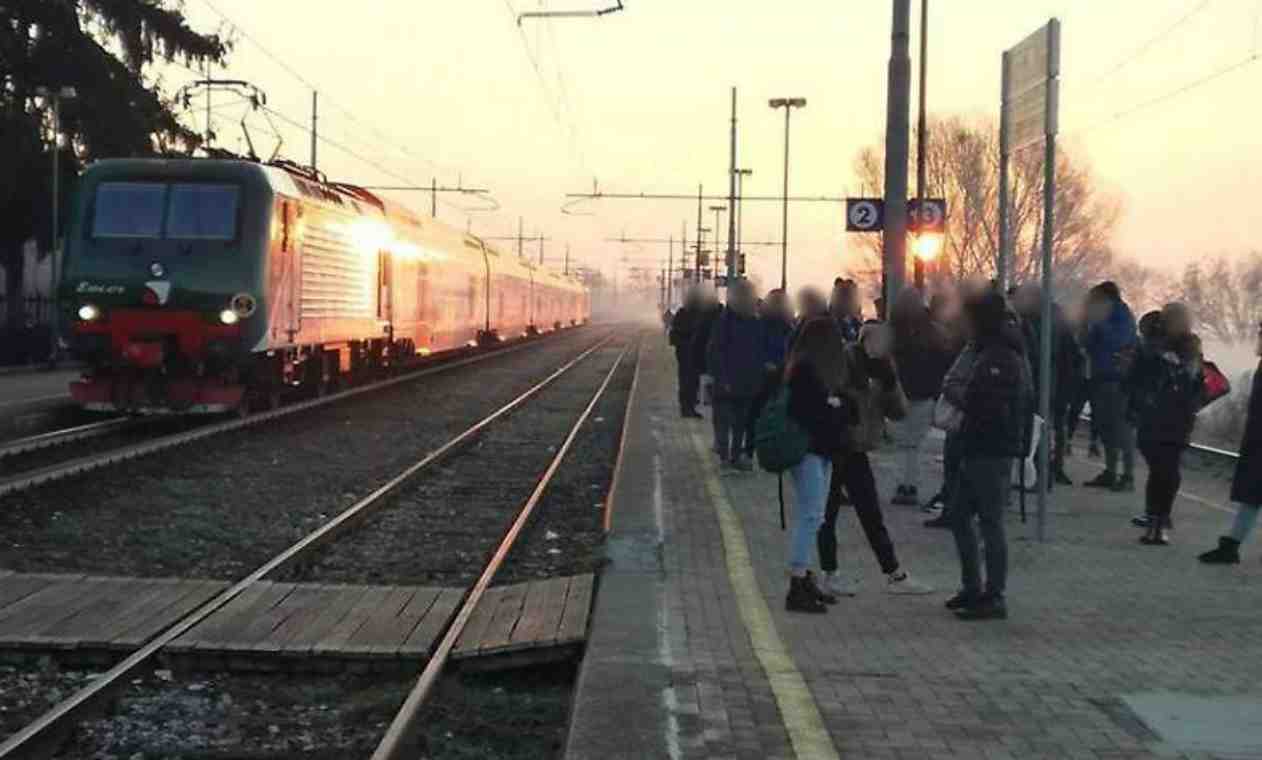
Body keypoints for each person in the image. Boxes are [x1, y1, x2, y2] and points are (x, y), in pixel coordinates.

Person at [817, 322, 934, 597]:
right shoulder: (844, 362)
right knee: (827, 513)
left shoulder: (883, 370)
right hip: (835, 447)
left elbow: (899, 412)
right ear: (864, 340)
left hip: (857, 451)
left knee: (870, 513)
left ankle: (893, 573)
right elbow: (830, 396)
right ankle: (828, 572)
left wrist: (891, 383)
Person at [946, 289, 1033, 620]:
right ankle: (973, 587)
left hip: (991, 448)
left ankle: (993, 595)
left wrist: (957, 394)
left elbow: (987, 405)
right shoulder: (994, 350)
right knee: (960, 514)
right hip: (981, 446)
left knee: (990, 521)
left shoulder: (999, 356)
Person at [783, 317, 854, 613]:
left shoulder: (807, 370)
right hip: (810, 452)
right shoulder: (805, 373)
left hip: (820, 452)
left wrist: (837, 407)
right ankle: (797, 582)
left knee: (817, 516)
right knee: (811, 516)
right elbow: (814, 415)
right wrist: (836, 409)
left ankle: (804, 575)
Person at [1127, 303, 1204, 545]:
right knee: (1162, 470)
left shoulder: (1191, 347)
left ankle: (1158, 520)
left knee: (1167, 471)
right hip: (1155, 416)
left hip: (1177, 417)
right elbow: (1133, 379)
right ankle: (1157, 519)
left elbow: (1197, 382)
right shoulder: (1151, 345)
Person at [1199, 322, 1262, 563]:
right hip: (1257, 440)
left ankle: (1231, 546)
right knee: (1252, 497)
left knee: (1252, 496)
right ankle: (1231, 545)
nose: (1258, 338)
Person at [890, 287, 953, 507]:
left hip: (900, 392)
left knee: (902, 443)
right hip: (923, 393)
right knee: (914, 444)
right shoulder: (934, 332)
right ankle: (911, 485)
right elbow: (944, 363)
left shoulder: (894, 331)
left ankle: (903, 485)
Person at [1012, 283, 1079, 488]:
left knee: (1035, 430)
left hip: (1040, 381)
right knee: (1044, 429)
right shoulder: (1057, 318)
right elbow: (1071, 355)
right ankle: (1046, 473)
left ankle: (1038, 476)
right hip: (1052, 382)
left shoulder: (1033, 321)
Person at [1083, 281, 1138, 491]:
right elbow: (1088, 343)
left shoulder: (1121, 315)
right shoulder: (1103, 316)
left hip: (1117, 380)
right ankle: (1110, 471)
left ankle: (1127, 476)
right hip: (1100, 376)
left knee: (1121, 429)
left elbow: (1117, 340)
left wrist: (1097, 324)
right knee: (1105, 428)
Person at [706, 280, 766, 471]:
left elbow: (759, 351)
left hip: (747, 382)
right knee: (725, 419)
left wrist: (759, 375)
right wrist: (720, 377)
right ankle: (725, 455)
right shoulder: (724, 322)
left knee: (741, 421)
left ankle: (735, 455)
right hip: (727, 381)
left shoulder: (755, 323)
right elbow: (715, 352)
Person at [668, 289, 704, 419]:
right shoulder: (687, 314)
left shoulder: (686, 313)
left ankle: (688, 407)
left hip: (689, 353)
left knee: (690, 381)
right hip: (687, 353)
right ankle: (687, 408)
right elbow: (676, 333)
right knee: (688, 381)